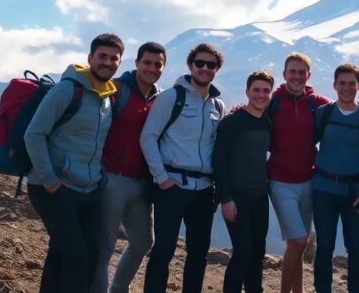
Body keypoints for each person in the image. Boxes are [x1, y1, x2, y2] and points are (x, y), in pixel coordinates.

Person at [24, 33, 124, 293]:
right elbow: (34, 134)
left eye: (114, 58)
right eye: (102, 56)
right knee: (77, 256)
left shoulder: (108, 96)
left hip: (88, 189)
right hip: (54, 187)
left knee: (74, 252)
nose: (108, 62)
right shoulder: (68, 90)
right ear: (90, 58)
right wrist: (50, 181)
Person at [140, 43, 226, 293]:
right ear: (191, 65)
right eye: (200, 63)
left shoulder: (217, 106)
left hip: (204, 190)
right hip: (172, 186)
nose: (205, 68)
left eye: (211, 64)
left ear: (217, 69)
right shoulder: (171, 97)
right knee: (163, 250)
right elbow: (148, 137)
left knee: (198, 253)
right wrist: (161, 178)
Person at [92, 41, 166, 293]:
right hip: (112, 178)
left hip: (141, 183)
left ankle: (118, 289)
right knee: (104, 247)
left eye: (158, 64)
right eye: (147, 63)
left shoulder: (159, 98)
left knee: (143, 241)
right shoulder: (117, 90)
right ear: (136, 63)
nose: (152, 68)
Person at [311, 63, 359, 293]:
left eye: (352, 83)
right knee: (324, 246)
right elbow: (304, 143)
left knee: (355, 247)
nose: (347, 88)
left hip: (355, 192)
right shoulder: (323, 114)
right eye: (342, 83)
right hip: (323, 189)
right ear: (334, 85)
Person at [266, 52, 330, 293]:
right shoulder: (272, 101)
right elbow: (252, 113)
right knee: (298, 240)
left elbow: (344, 110)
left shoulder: (317, 104)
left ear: (308, 75)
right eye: (292, 71)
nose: (297, 76)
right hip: (280, 181)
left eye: (302, 72)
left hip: (309, 180)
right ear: (284, 74)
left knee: (298, 245)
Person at [213, 70, 275, 293]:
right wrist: (225, 198)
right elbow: (219, 161)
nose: (261, 95)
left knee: (258, 252)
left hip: (260, 196)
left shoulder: (267, 122)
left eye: (266, 91)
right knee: (242, 252)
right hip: (236, 197)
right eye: (256, 90)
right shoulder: (232, 122)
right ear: (247, 91)